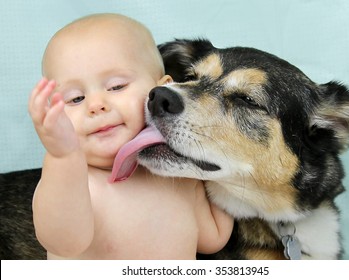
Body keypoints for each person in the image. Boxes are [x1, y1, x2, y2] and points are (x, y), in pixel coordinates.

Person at [28, 13, 233, 260]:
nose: (95, 105)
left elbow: (213, 238)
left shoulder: (181, 178)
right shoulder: (75, 182)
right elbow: (64, 243)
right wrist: (62, 157)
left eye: (116, 87)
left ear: (163, 90)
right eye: (76, 99)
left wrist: (227, 159)